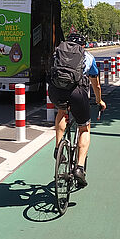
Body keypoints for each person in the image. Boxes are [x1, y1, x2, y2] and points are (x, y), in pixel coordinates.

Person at [48, 32, 106, 187]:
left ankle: (58, 147)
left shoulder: (58, 52)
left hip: (55, 90)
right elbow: (96, 84)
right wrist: (99, 100)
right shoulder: (88, 57)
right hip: (76, 93)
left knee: (61, 112)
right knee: (84, 128)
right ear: (84, 45)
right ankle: (79, 168)